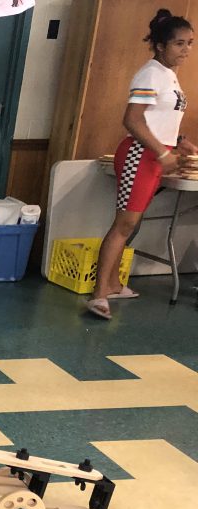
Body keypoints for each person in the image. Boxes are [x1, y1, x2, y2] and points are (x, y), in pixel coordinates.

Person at [89, 10, 196, 320]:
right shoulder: (150, 73)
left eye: (190, 43)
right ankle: (99, 296)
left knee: (130, 224)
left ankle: (112, 284)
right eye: (179, 44)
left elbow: (161, 119)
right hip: (140, 155)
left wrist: (179, 142)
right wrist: (161, 154)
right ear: (161, 45)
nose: (186, 50)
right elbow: (132, 120)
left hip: (154, 155)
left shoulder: (168, 75)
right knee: (123, 225)